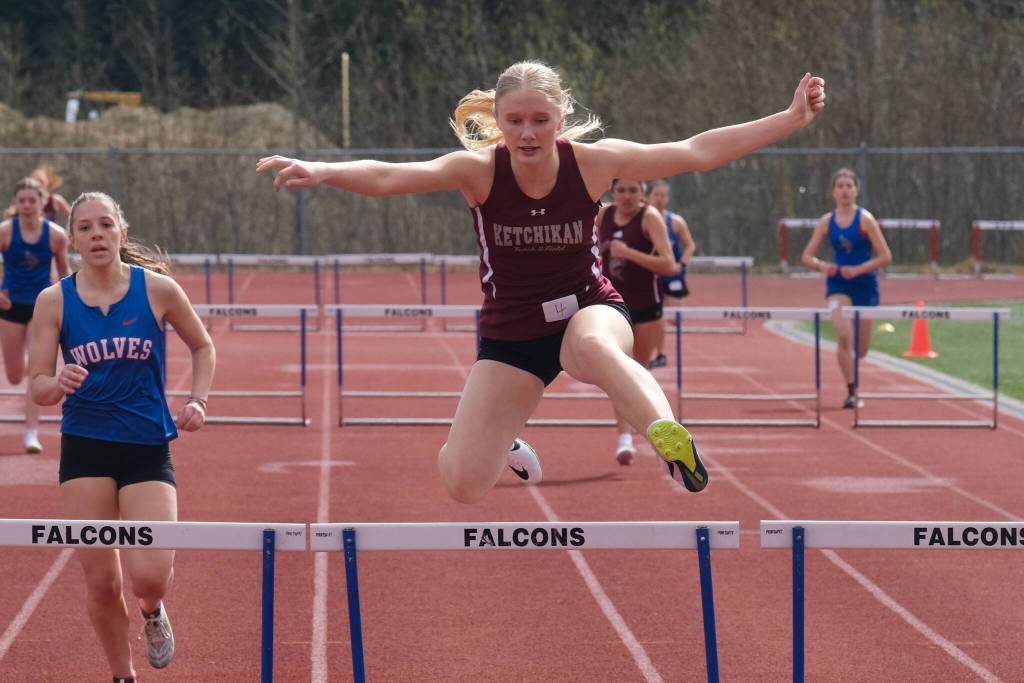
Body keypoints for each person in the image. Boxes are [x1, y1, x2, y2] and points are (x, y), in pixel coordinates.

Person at [258, 61, 825, 501]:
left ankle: (668, 438)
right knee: (462, 484)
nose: (527, 134)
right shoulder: (479, 170)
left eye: (539, 120)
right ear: (498, 121)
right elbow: (393, 177)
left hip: (587, 307)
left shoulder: (594, 163)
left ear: (561, 118)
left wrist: (790, 117)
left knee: (597, 348)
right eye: (515, 121)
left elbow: (696, 151)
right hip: (513, 333)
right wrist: (326, 170)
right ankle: (502, 438)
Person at [28, 192, 215, 683]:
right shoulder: (54, 301)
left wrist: (198, 400)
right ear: (73, 240)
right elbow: (39, 385)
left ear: (121, 234)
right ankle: (122, 676)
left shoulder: (157, 290)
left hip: (146, 445)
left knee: (150, 574)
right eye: (85, 228)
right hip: (85, 447)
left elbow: (203, 345)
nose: (96, 235)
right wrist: (57, 383)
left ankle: (153, 611)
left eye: (105, 225)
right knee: (101, 582)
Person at [596, 178, 679, 465]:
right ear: (613, 192)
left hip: (646, 306)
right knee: (621, 373)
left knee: (639, 372)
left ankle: (656, 431)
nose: (627, 196)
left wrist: (630, 254)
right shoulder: (603, 214)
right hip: (612, 304)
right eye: (621, 190)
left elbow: (670, 264)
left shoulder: (650, 217)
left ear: (642, 193)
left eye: (633, 190)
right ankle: (624, 437)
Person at [800, 168, 891, 408]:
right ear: (833, 192)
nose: (844, 190)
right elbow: (807, 257)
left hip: (864, 283)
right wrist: (823, 266)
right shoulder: (826, 222)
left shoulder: (865, 219)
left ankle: (853, 376)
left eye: (849, 186)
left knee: (860, 350)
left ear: (856, 190)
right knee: (843, 336)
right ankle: (852, 391)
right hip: (838, 283)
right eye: (840, 186)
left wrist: (860, 269)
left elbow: (885, 256)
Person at [0, 177, 71, 452]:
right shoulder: (6, 232)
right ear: (16, 204)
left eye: (33, 200)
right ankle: (31, 363)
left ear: (44, 202)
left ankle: (31, 432)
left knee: (35, 372)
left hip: (42, 306)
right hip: (10, 306)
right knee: (15, 375)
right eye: (22, 201)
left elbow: (64, 272)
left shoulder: (55, 235)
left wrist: (72, 301)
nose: (27, 205)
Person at [646, 179, 696, 369]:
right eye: (656, 195)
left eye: (663, 195)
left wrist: (682, 263)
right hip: (650, 276)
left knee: (675, 317)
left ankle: (657, 350)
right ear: (649, 197)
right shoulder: (642, 220)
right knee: (654, 318)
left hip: (673, 275)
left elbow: (690, 245)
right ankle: (658, 353)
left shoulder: (675, 222)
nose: (660, 199)